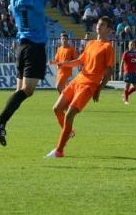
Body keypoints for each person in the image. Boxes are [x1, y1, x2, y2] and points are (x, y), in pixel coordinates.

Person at [0, 0, 52, 146]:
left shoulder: (15, 0)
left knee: (19, 91)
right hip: (34, 49)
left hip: (21, 48)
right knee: (28, 90)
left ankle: (2, 122)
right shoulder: (37, 2)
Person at [45, 16, 115, 158]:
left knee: (70, 114)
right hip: (78, 80)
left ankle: (59, 150)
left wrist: (99, 89)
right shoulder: (90, 44)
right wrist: (62, 64)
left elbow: (109, 72)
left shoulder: (108, 47)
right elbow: (78, 61)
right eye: (98, 24)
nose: (98, 26)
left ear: (109, 29)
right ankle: (68, 132)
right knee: (57, 109)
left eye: (102, 25)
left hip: (89, 85)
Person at [119, 40, 136, 104]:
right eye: (131, 44)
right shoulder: (126, 53)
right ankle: (126, 99)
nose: (132, 46)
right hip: (127, 72)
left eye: (133, 44)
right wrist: (121, 71)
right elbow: (122, 62)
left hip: (134, 72)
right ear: (128, 45)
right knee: (127, 85)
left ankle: (126, 95)